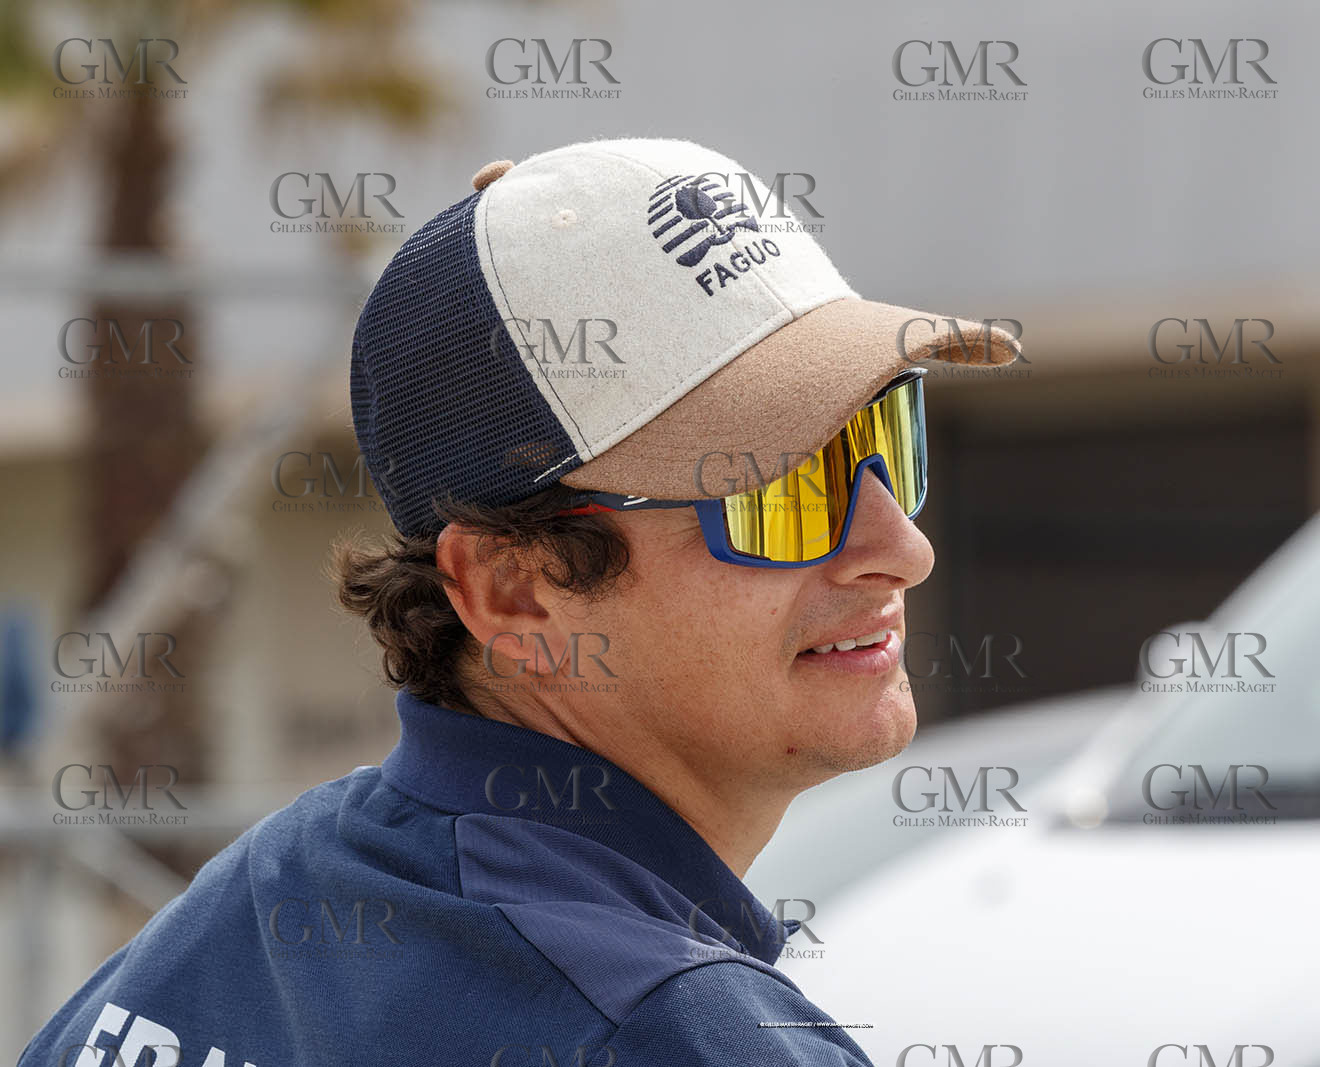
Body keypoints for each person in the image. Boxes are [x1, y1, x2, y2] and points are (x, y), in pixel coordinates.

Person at [22, 138, 1019, 1067]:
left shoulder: (246, 909)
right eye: (782, 490)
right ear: (513, 591)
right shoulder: (673, 1029)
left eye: (884, 438)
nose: (903, 548)